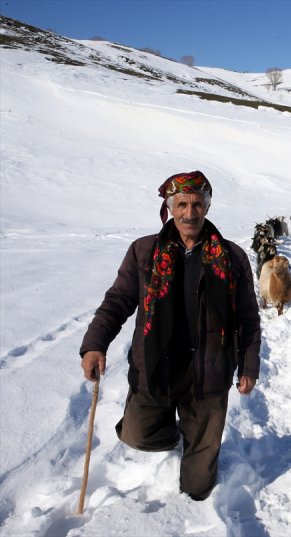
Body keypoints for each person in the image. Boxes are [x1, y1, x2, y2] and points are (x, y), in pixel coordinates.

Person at [79, 170, 262, 501]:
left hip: (209, 374)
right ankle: (176, 437)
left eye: (196, 204)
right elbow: (117, 301)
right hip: (156, 367)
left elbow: (248, 317)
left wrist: (248, 365)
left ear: (207, 207)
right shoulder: (144, 251)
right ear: (170, 206)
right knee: (136, 434)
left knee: (198, 486)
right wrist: (95, 344)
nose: (189, 213)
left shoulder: (232, 257)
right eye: (182, 204)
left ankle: (195, 507)